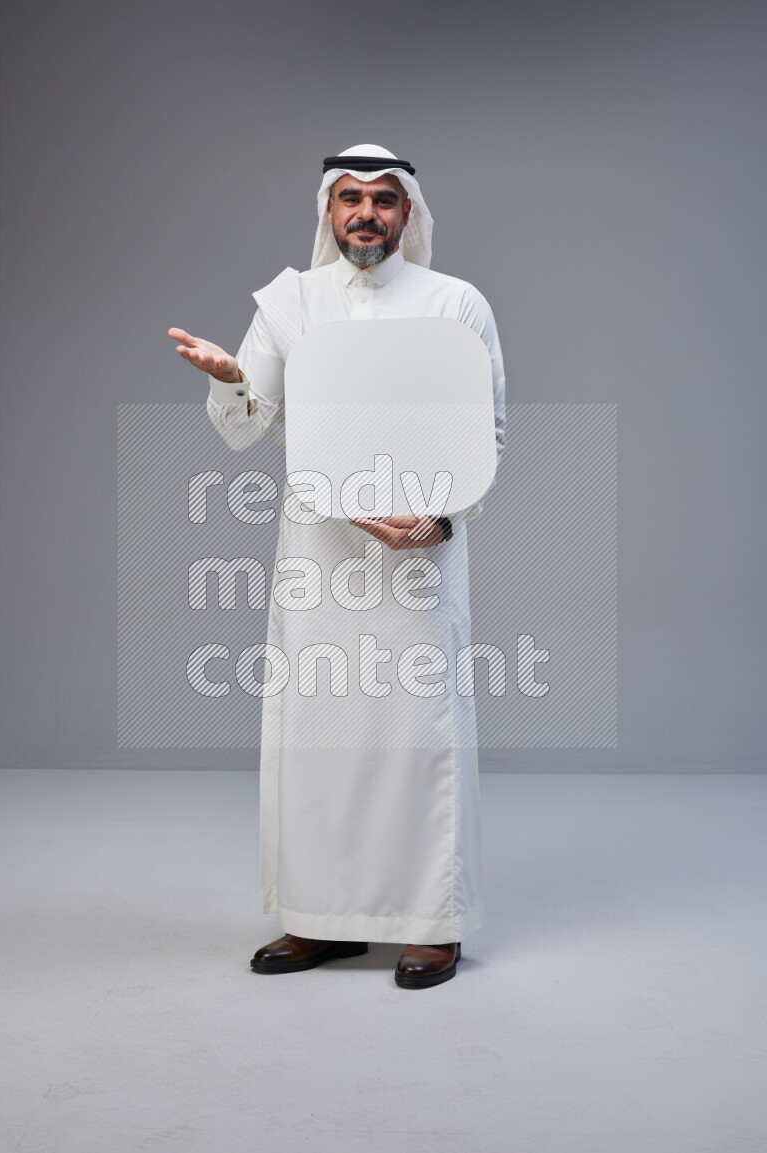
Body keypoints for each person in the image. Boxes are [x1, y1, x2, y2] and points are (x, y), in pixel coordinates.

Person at [168, 144, 506, 988]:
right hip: (319, 554)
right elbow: (248, 425)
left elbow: (487, 435)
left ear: (408, 213)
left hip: (419, 559)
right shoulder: (290, 302)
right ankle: (321, 921)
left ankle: (433, 921)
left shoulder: (455, 304)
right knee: (318, 735)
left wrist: (436, 522)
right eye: (349, 197)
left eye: (384, 199)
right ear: (327, 210)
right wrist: (226, 380)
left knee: (417, 734)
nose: (365, 212)